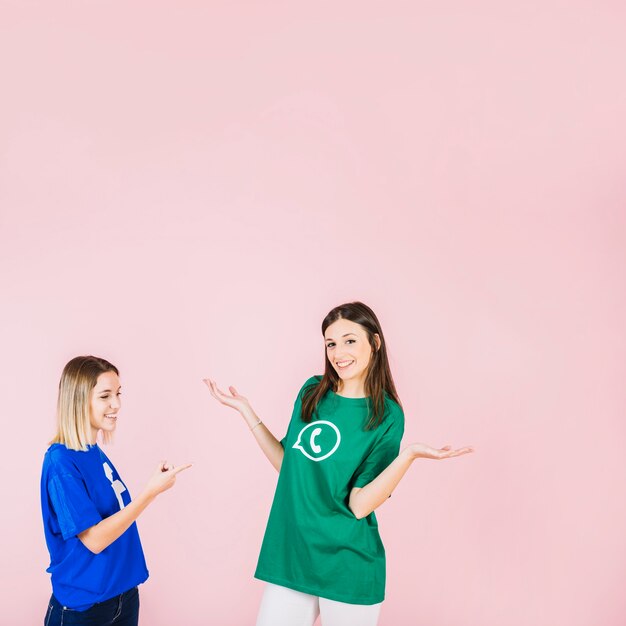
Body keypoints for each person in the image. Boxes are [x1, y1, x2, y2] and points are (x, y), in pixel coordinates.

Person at [204, 301, 474, 626]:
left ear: (374, 342)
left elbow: (359, 505)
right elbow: (289, 467)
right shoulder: (312, 392)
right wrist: (248, 413)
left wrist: (409, 456)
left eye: (350, 340)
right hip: (293, 554)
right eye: (331, 343)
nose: (338, 352)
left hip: (348, 563)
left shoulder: (386, 415)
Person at [41, 355, 191, 626]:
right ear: (78, 399)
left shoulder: (94, 452)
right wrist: (150, 493)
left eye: (118, 394)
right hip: (84, 609)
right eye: (105, 396)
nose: (116, 404)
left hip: (123, 597)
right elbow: (94, 539)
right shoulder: (60, 462)